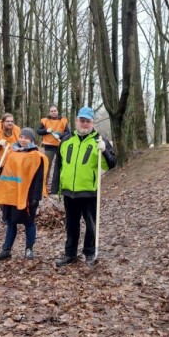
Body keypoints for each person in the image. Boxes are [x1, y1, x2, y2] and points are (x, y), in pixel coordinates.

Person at [51, 106, 116, 267]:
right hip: (69, 192)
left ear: (92, 122)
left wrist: (105, 151)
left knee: (91, 225)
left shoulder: (99, 141)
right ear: (76, 120)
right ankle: (70, 253)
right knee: (71, 225)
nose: (84, 124)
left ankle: (89, 252)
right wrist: (55, 189)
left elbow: (112, 164)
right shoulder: (66, 140)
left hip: (89, 192)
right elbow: (59, 165)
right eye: (82, 120)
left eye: (88, 121)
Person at [0, 127, 48, 261]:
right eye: (21, 137)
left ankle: (29, 249)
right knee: (10, 222)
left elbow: (39, 179)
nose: (23, 140)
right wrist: (0, 170)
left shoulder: (36, 156)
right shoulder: (12, 153)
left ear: (32, 140)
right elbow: (10, 172)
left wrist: (35, 197)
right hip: (12, 194)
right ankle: (6, 250)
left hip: (28, 195)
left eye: (26, 138)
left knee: (29, 222)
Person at [37, 106, 70, 186]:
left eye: (54, 111)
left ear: (57, 111)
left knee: (61, 166)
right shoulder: (44, 121)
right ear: (49, 112)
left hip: (60, 146)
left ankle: (59, 186)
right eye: (51, 111)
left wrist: (60, 135)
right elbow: (38, 131)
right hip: (49, 146)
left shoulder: (63, 120)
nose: (53, 112)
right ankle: (44, 186)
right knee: (47, 166)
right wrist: (46, 130)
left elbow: (68, 132)